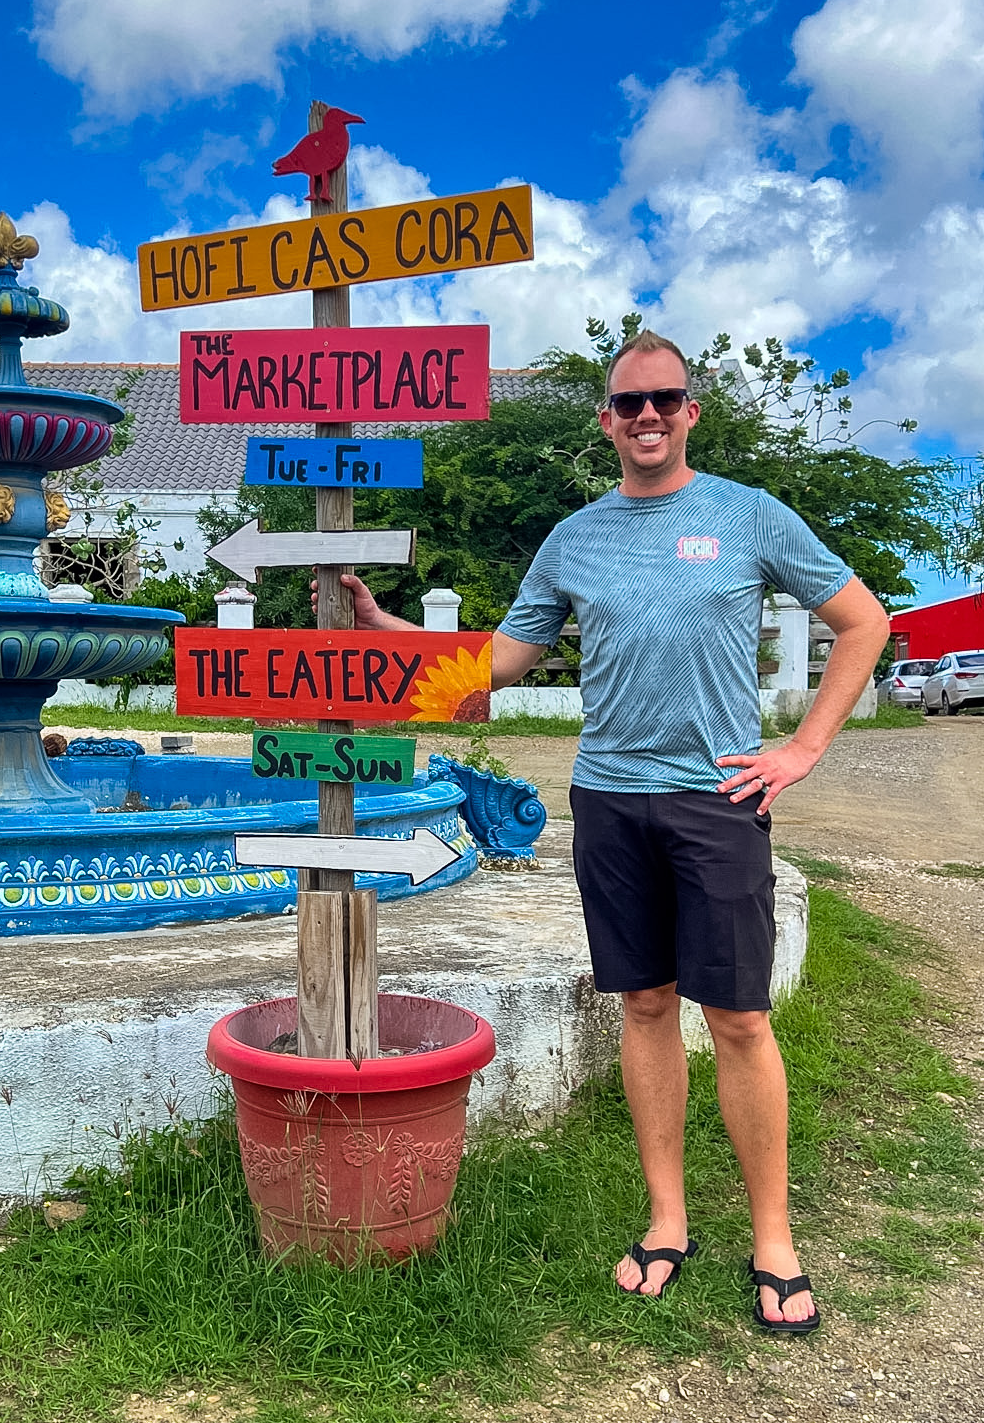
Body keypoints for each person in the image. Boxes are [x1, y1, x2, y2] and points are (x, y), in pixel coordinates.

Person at [341, 329, 890, 1335]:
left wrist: (803, 747)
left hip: (716, 802)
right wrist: (390, 635)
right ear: (606, 421)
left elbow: (865, 619)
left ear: (691, 412)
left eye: (664, 400)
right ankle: (668, 1217)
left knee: (739, 1020)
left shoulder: (748, 515)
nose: (647, 417)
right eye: (629, 404)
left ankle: (774, 1235)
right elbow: (499, 661)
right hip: (607, 799)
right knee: (643, 1004)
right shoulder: (575, 538)